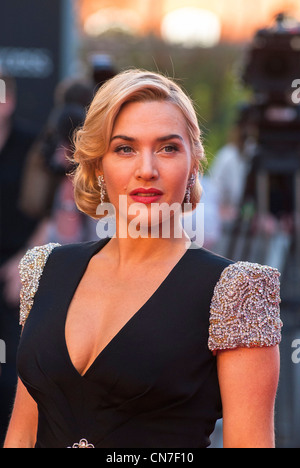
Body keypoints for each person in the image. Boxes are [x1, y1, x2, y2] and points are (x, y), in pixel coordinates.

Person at [3, 70, 282, 449]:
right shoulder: (45, 268)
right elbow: (22, 434)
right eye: (125, 148)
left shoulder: (235, 291)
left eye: (168, 148)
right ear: (99, 165)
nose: (147, 169)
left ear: (193, 164)